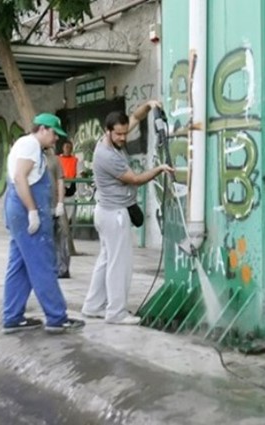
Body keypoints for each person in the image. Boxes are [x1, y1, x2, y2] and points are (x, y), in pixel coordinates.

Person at [81, 100, 174, 325]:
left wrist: (150, 105)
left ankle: (92, 306)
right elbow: (135, 179)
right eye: (119, 135)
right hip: (114, 215)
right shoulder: (107, 155)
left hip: (107, 212)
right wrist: (160, 169)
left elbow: (135, 117)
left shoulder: (113, 139)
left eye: (125, 133)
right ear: (108, 132)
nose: (124, 138)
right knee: (119, 264)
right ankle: (116, 313)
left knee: (106, 260)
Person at [2, 112, 85, 334]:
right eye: (54, 134)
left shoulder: (28, 146)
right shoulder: (30, 145)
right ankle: (57, 317)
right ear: (43, 130)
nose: (56, 139)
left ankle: (12, 316)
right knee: (42, 264)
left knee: (19, 265)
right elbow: (21, 177)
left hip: (17, 209)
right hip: (26, 209)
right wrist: (32, 211)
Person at [46, 147, 70, 279]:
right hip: (40, 206)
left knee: (60, 237)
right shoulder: (32, 159)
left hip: (54, 204)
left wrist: (60, 202)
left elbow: (60, 181)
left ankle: (61, 267)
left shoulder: (54, 160)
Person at [58, 140, 78, 221]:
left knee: (69, 209)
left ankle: (68, 223)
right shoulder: (57, 159)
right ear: (63, 148)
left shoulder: (75, 160)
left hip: (71, 186)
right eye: (66, 147)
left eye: (70, 147)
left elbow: (79, 172)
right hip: (60, 185)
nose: (68, 149)